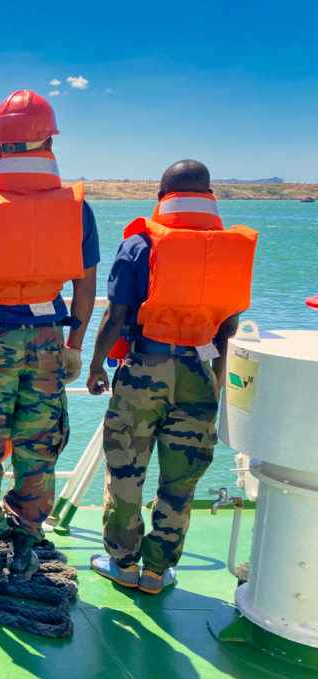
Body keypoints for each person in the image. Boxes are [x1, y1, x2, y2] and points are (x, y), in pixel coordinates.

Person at [0, 90, 99, 585]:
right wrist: (74, 346)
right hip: (49, 340)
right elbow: (86, 286)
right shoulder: (77, 208)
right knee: (38, 445)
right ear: (49, 141)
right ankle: (25, 550)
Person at [86, 160, 256, 594]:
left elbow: (115, 315)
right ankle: (157, 572)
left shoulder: (140, 244)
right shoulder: (229, 250)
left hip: (144, 368)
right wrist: (216, 379)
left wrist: (95, 365)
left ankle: (123, 563)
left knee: (126, 472)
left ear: (162, 197)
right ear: (209, 195)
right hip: (200, 370)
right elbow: (228, 328)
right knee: (181, 480)